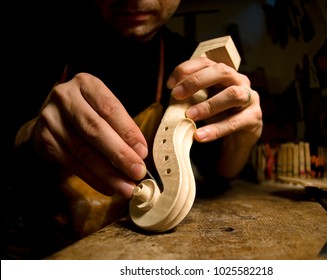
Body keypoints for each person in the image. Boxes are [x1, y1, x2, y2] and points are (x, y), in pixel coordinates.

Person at [2, 0, 262, 259]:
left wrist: (241, 140)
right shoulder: (34, 41)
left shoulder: (193, 62)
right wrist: (30, 136)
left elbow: (219, 174)